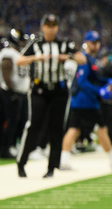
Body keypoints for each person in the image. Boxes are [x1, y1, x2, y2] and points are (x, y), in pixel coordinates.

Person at [15, 14, 78, 178]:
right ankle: (21, 162)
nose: (51, 29)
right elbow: (19, 60)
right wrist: (36, 58)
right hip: (39, 89)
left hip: (59, 90)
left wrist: (69, 57)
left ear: (57, 27)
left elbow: (82, 58)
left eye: (54, 26)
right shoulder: (36, 44)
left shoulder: (64, 44)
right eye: (48, 26)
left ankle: (52, 167)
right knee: (34, 124)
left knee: (56, 128)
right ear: (43, 27)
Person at [58, 31, 112, 172]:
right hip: (85, 101)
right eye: (94, 42)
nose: (97, 45)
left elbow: (95, 78)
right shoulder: (84, 59)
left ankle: (64, 160)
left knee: (75, 129)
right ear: (87, 42)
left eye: (98, 42)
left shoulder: (90, 59)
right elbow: (82, 81)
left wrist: (107, 81)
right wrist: (99, 91)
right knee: (100, 129)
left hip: (83, 101)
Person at [1, 29, 31, 159]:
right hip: (10, 93)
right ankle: (6, 147)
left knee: (22, 121)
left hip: (21, 93)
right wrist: (10, 90)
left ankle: (14, 145)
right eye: (22, 40)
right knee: (12, 120)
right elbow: (6, 71)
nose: (23, 43)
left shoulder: (18, 53)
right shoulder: (8, 53)